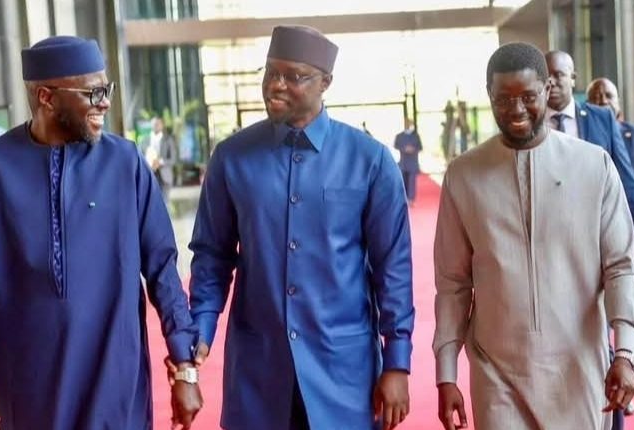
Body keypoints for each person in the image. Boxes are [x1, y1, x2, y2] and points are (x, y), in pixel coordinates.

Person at [0, 36, 203, 430]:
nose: (105, 103)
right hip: (18, 391)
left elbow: (163, 267)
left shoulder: (125, 163)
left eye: (106, 90)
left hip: (114, 385)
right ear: (46, 97)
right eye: (92, 93)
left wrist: (184, 363)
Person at [188, 25, 414, 430]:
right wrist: (201, 327)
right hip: (259, 370)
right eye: (271, 72)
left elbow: (392, 268)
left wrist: (397, 362)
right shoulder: (231, 158)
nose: (276, 85)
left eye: (294, 76)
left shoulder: (370, 160)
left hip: (344, 371)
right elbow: (212, 256)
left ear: (326, 82)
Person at [434, 42, 634, 430]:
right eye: (503, 99)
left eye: (528, 97)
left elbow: (620, 267)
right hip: (496, 372)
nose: (516, 110)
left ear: (547, 90)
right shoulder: (463, 175)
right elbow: (452, 284)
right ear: (489, 96)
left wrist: (627, 352)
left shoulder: (593, 165)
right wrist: (446, 373)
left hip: (579, 369)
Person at [545, 51, 634, 285]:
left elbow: (626, 180)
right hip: (549, 243)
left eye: (558, 74)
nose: (551, 81)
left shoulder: (601, 119)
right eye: (546, 75)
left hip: (600, 239)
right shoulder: (531, 124)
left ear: (573, 78)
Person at [588, 76, 634, 420]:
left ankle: (628, 369)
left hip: (629, 239)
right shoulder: (583, 132)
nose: (602, 100)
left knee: (629, 312)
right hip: (595, 238)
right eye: (596, 96)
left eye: (608, 95)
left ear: (619, 102)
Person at [140, 117, 177, 202]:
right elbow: (140, 157)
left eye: (158, 124)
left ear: (162, 125)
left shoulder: (168, 140)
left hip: (165, 177)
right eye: (154, 124)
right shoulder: (145, 140)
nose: (156, 126)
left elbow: (173, 159)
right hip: (149, 176)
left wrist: (160, 162)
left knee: (164, 203)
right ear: (151, 125)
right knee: (151, 203)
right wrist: (148, 163)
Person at [393, 118, 422, 205]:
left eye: (409, 123)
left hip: (413, 161)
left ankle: (411, 199)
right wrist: (404, 148)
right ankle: (404, 198)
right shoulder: (399, 136)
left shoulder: (416, 136)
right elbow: (396, 145)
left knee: (412, 181)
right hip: (403, 162)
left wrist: (413, 149)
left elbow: (420, 147)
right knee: (403, 181)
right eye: (406, 123)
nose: (408, 125)